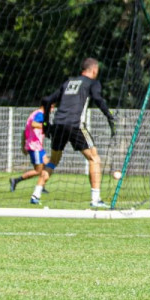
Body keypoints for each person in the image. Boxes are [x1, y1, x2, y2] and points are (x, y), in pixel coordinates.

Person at [31, 58, 116, 208]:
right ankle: (95, 199)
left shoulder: (68, 82)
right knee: (94, 158)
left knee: (53, 161)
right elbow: (98, 99)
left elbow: (47, 100)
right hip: (75, 125)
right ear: (94, 70)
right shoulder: (92, 83)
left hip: (58, 125)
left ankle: (36, 194)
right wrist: (109, 116)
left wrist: (45, 125)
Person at [10, 105, 51, 193]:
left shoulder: (34, 113)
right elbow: (34, 124)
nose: (51, 109)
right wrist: (46, 126)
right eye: (51, 107)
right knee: (38, 171)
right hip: (35, 147)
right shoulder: (40, 114)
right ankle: (15, 180)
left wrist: (23, 145)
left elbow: (25, 131)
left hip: (37, 146)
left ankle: (42, 186)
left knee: (48, 166)